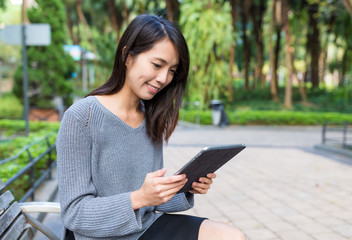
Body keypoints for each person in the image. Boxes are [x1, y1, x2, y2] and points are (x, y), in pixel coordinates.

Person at [56, 14, 246, 240]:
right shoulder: (81, 117)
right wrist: (140, 198)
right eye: (157, 65)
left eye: (172, 71)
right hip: (100, 236)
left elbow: (150, 198)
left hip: (145, 227)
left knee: (232, 236)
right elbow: (75, 214)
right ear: (127, 55)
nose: (163, 78)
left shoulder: (151, 116)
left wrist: (186, 186)